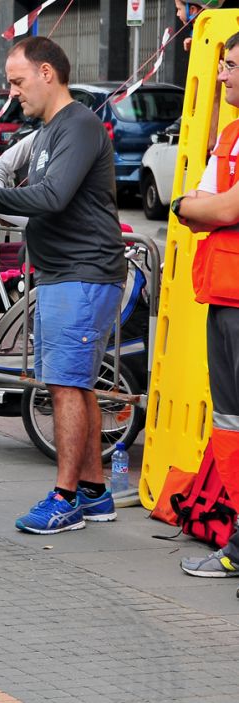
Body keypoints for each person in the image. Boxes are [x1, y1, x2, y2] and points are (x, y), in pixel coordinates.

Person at [0, 37, 127, 535]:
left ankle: (65, 498)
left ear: (47, 72)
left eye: (18, 81)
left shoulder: (79, 124)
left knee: (67, 386)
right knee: (72, 384)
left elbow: (51, 196)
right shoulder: (49, 130)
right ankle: (93, 492)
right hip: (63, 274)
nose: (13, 93)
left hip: (83, 273)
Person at [166, 31, 239, 582]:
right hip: (222, 296)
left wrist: (196, 205)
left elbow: (225, 207)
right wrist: (196, 205)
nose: (222, 74)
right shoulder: (231, 133)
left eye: (231, 65)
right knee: (229, 421)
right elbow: (198, 203)